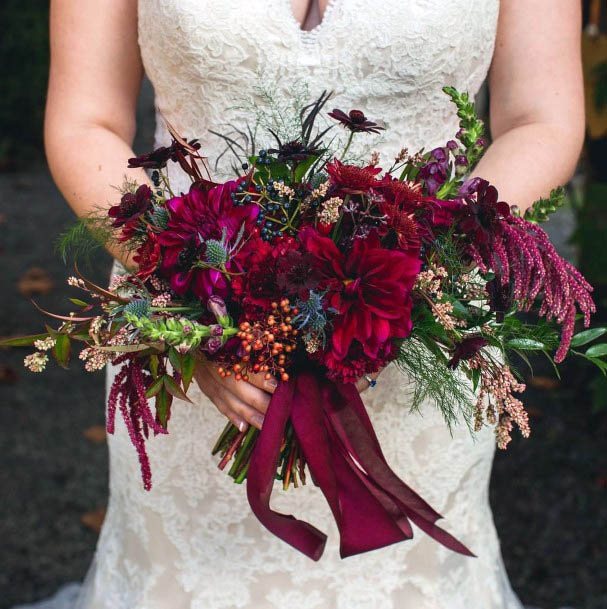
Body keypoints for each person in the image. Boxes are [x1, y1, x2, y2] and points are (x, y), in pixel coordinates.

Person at [37, 1, 584, 607]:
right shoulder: (188, 308)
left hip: (417, 343)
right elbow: (85, 119)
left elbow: (540, 119)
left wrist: (417, 280)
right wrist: (194, 309)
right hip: (188, 331)